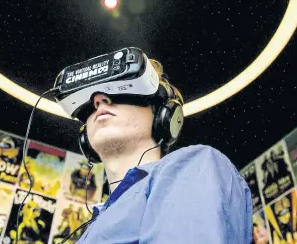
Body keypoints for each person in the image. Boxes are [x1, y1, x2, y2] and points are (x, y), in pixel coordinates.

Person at [55, 52, 252, 243]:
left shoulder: (194, 167)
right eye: (90, 103)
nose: (99, 100)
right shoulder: (93, 226)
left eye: (123, 89)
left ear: (164, 117)